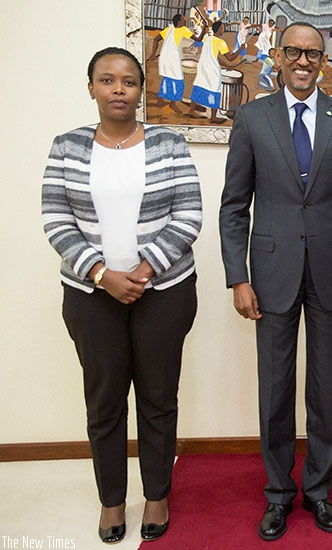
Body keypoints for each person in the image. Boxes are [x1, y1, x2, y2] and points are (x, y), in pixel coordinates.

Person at [219, 22, 332, 542]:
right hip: (270, 275)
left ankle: (318, 492)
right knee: (275, 390)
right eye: (294, 51)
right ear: (279, 55)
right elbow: (233, 208)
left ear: (324, 60)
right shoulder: (252, 117)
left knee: (326, 388)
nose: (304, 61)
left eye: (313, 53)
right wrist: (238, 277)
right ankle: (277, 495)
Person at [41, 47, 202, 544]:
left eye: (128, 82)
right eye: (107, 81)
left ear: (140, 92)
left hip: (164, 291)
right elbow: (55, 219)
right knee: (105, 400)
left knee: (157, 398)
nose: (118, 90)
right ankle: (112, 500)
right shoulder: (66, 146)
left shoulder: (170, 143)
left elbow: (189, 213)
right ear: (90, 87)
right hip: (91, 296)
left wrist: (143, 269)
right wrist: (101, 274)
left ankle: (156, 493)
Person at [148, 13, 206, 114]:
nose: (185, 21)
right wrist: (204, 27)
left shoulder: (169, 29)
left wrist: (153, 54)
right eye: (183, 19)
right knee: (179, 80)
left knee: (167, 77)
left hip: (165, 57)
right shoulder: (183, 29)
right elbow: (199, 39)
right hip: (172, 58)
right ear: (179, 21)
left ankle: (160, 100)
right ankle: (173, 103)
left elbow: (156, 39)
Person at [188, 20, 241, 124]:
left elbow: (214, 56)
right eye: (222, 27)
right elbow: (230, 57)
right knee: (215, 90)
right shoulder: (221, 42)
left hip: (203, 66)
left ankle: (191, 110)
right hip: (212, 69)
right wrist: (240, 49)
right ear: (219, 30)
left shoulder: (207, 38)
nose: (223, 29)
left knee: (199, 85)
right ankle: (213, 116)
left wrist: (227, 66)